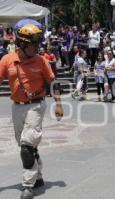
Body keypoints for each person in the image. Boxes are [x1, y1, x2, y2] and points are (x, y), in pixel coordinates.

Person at [0, 19, 63, 199]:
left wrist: (58, 104)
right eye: (33, 44)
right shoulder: (7, 60)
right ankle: (39, 175)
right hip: (17, 107)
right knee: (25, 146)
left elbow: (53, 83)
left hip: (36, 105)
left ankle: (27, 185)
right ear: (21, 43)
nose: (37, 47)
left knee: (27, 147)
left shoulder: (41, 60)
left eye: (37, 43)